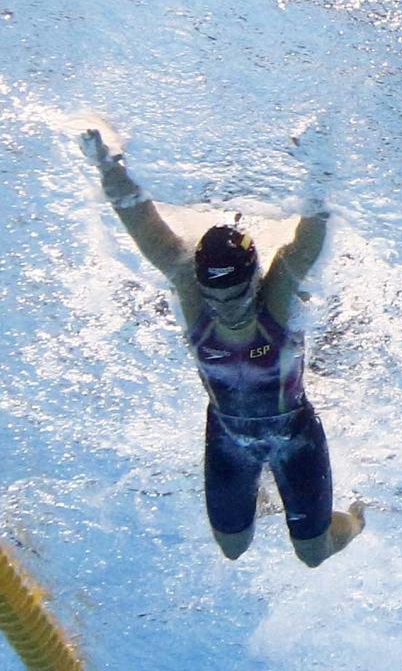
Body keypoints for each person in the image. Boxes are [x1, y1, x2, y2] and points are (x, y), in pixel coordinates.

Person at [79, 122, 365, 566]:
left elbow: (306, 244)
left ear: (254, 281)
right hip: (230, 436)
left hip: (295, 435)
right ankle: (268, 496)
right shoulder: (194, 298)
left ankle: (358, 518)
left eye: (236, 294)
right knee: (233, 548)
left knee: (313, 553)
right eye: (214, 295)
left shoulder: (277, 298)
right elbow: (145, 226)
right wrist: (107, 164)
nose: (224, 307)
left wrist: (319, 172)